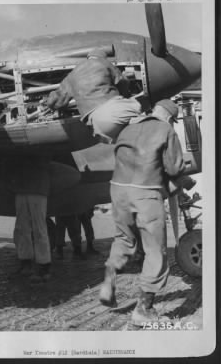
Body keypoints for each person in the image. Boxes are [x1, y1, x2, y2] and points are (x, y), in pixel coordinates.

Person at [99, 99, 186, 326]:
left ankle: (109, 280)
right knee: (155, 250)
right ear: (169, 117)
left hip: (117, 190)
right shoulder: (165, 129)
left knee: (123, 239)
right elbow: (174, 168)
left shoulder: (127, 127)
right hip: (146, 193)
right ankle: (143, 309)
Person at [47, 48, 149, 144]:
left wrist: (47, 103)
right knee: (148, 105)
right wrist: (126, 95)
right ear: (102, 57)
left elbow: (55, 101)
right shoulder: (103, 63)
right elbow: (123, 82)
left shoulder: (71, 75)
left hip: (97, 127)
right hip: (112, 111)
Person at [13, 156, 52, 282]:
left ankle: (44, 265)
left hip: (37, 187)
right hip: (22, 186)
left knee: (39, 228)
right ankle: (26, 262)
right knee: (21, 227)